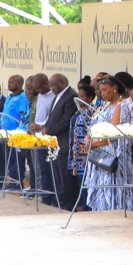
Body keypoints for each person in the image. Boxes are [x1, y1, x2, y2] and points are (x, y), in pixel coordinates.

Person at [84, 74, 133, 212]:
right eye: (100, 90)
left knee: (112, 190)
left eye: (105, 89)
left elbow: (114, 134)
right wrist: (89, 138)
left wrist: (94, 144)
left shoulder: (121, 106)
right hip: (100, 155)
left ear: (114, 88)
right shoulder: (104, 106)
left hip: (112, 155)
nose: (102, 93)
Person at [44, 74, 79, 210]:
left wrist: (49, 129)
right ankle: (61, 204)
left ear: (63, 83)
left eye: (53, 84)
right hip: (55, 143)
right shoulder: (57, 95)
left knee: (66, 180)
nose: (51, 87)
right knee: (57, 179)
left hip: (64, 144)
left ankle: (69, 207)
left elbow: (66, 121)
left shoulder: (70, 96)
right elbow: (52, 117)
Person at [69, 83, 96, 211]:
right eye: (78, 95)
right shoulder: (77, 112)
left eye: (83, 96)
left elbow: (90, 135)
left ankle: (87, 211)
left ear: (90, 97)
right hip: (76, 156)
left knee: (86, 187)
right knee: (80, 185)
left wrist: (86, 155)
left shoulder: (92, 113)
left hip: (85, 157)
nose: (79, 98)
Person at [0, 75, 30, 190]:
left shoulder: (23, 97)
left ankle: (18, 183)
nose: (9, 84)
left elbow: (23, 116)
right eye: (8, 82)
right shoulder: (9, 97)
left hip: (16, 135)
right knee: (9, 160)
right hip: (5, 133)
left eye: (11, 82)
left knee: (16, 160)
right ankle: (12, 181)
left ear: (19, 83)